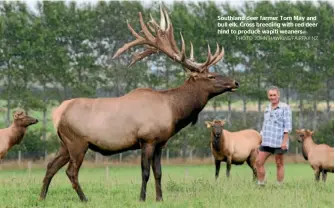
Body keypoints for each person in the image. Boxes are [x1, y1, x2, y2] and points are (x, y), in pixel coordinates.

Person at [256, 86, 292, 186]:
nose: (272, 97)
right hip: (266, 141)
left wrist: (284, 142)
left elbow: (287, 126)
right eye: (270, 95)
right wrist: (260, 140)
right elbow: (265, 125)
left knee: (279, 163)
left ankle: (279, 185)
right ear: (268, 96)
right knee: (258, 162)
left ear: (278, 95)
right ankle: (261, 184)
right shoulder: (267, 108)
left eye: (274, 95)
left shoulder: (285, 107)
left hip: (279, 142)